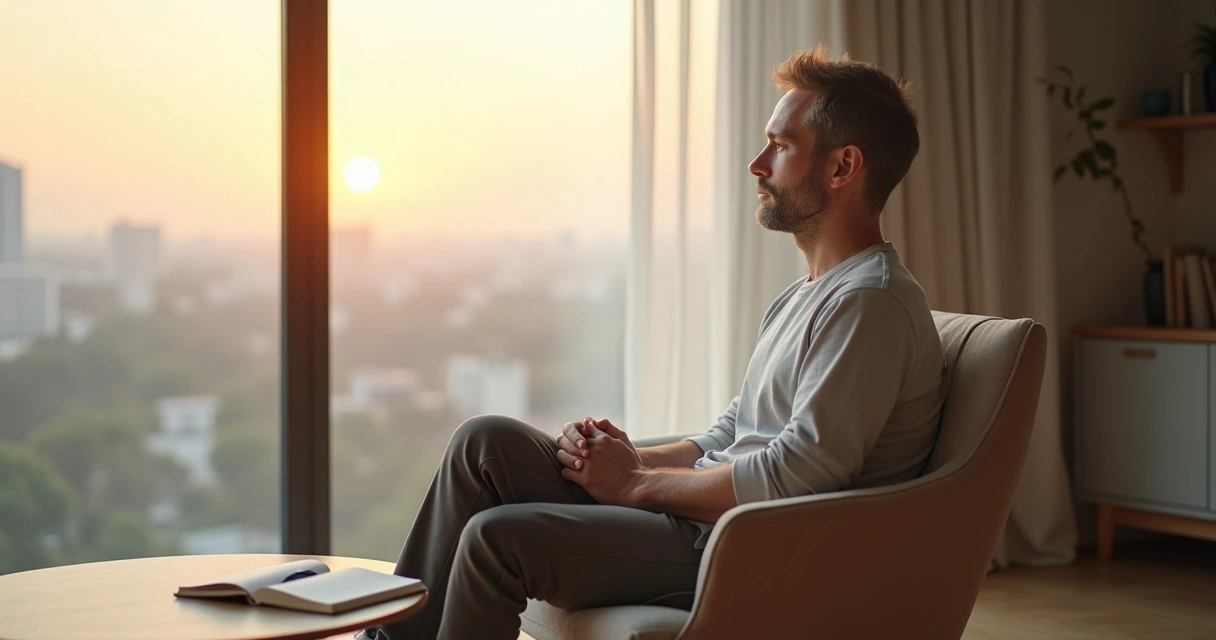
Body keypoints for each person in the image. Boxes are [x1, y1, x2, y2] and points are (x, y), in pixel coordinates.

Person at [362, 45, 946, 640]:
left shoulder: (869, 303)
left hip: (748, 549)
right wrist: (626, 461)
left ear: (843, 167)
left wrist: (635, 485)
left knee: (496, 539)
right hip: (706, 522)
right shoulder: (809, 294)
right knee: (482, 443)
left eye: (782, 145)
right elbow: (733, 434)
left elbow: (798, 478)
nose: (757, 163)